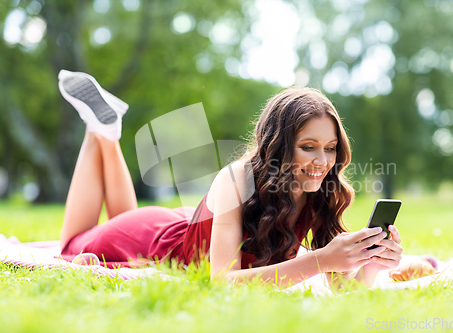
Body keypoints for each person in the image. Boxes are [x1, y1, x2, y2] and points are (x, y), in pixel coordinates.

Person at [57, 69, 403, 289]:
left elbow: (343, 291)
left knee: (116, 217)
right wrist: (320, 260)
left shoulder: (320, 192)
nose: (323, 161)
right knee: (71, 246)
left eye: (330, 148)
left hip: (183, 225)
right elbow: (223, 284)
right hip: (152, 239)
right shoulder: (237, 178)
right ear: (278, 145)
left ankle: (105, 127)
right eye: (308, 147)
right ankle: (100, 130)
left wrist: (371, 263)